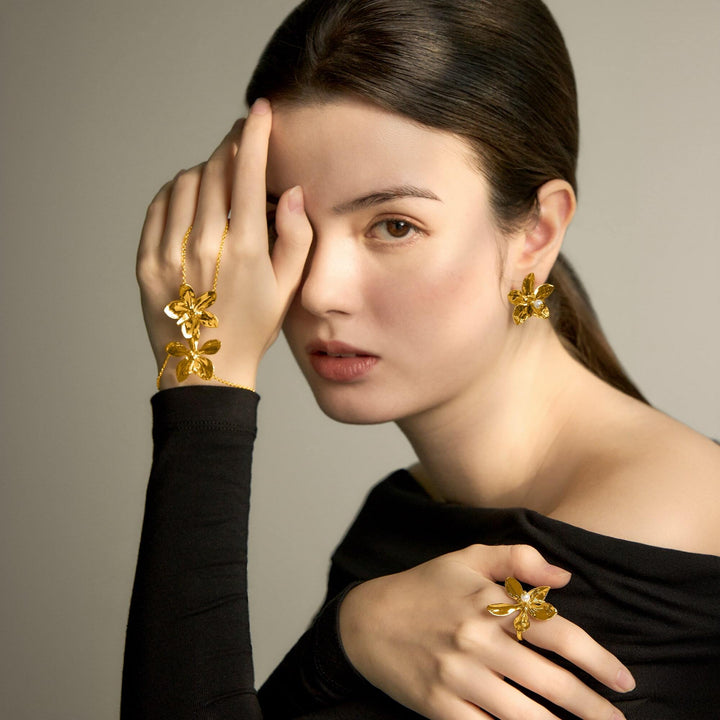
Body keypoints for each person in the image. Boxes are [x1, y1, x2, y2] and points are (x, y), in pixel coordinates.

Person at [122, 0, 720, 718]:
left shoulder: (647, 533)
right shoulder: (401, 517)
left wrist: (202, 385)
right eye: (286, 218)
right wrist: (346, 639)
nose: (318, 288)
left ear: (536, 230)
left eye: (393, 225)